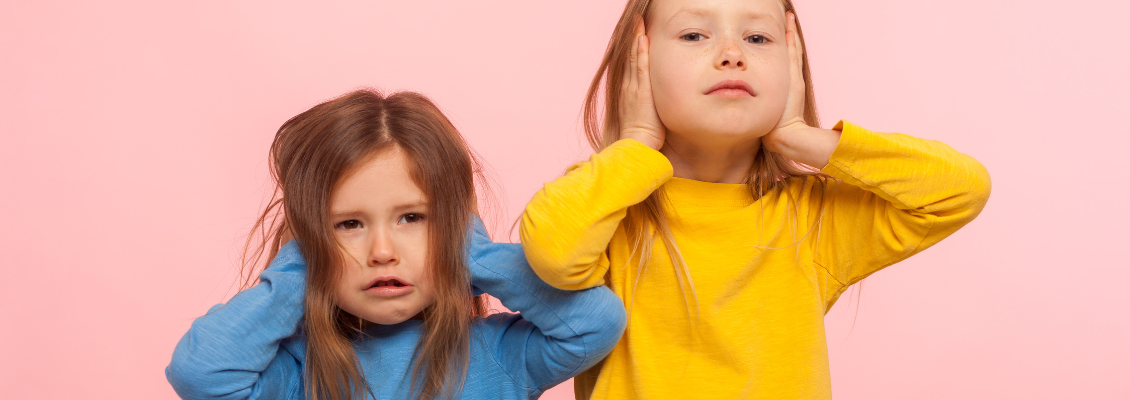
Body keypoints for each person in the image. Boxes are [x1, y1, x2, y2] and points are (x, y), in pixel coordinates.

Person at [518, 0, 992, 398]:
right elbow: (555, 253)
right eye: (693, 36)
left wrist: (804, 138)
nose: (731, 54)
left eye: (758, 39)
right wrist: (638, 141)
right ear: (635, 68)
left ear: (794, 68)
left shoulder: (812, 220)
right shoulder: (607, 204)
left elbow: (961, 188)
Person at [166, 89, 627, 400]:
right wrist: (305, 266)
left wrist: (470, 254)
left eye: (412, 218)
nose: (382, 251)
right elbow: (200, 374)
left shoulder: (500, 354)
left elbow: (596, 322)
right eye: (348, 224)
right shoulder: (297, 369)